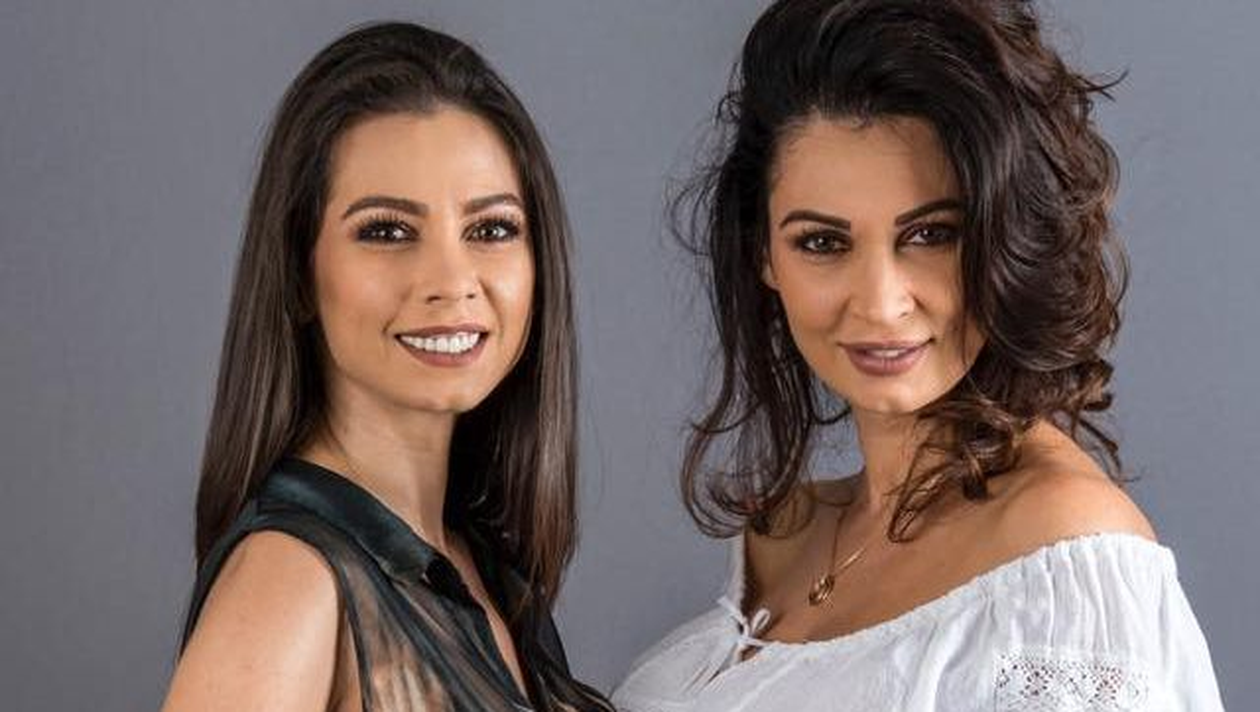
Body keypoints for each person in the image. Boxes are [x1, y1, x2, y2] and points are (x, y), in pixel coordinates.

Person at [613, 1, 1224, 710]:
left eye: (931, 235)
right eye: (822, 243)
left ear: (1006, 239)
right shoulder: (785, 538)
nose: (880, 303)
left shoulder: (1063, 558)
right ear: (764, 256)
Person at [161, 22, 612, 712]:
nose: (451, 282)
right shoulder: (292, 581)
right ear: (299, 276)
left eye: (491, 229)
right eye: (387, 231)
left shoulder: (484, 569)